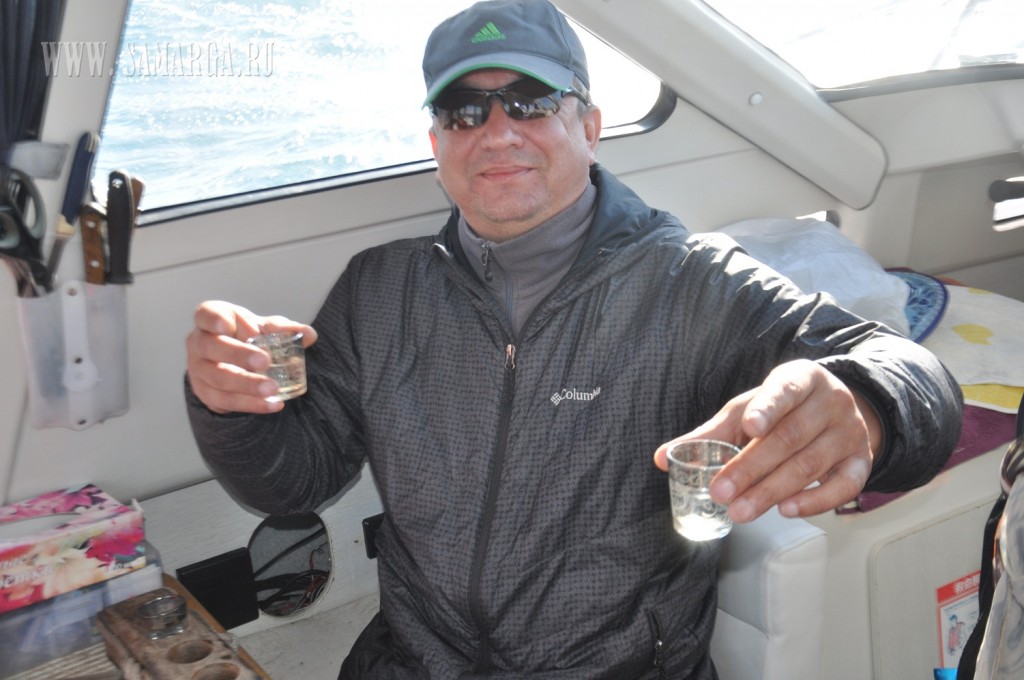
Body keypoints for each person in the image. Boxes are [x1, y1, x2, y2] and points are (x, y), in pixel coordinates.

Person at [184, 1, 963, 677]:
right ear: (436, 143)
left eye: (530, 103)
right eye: (463, 112)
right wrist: (231, 404)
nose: (497, 132)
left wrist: (868, 402)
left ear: (588, 127)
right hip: (413, 661)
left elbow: (908, 369)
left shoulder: (690, 284)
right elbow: (293, 483)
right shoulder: (379, 289)